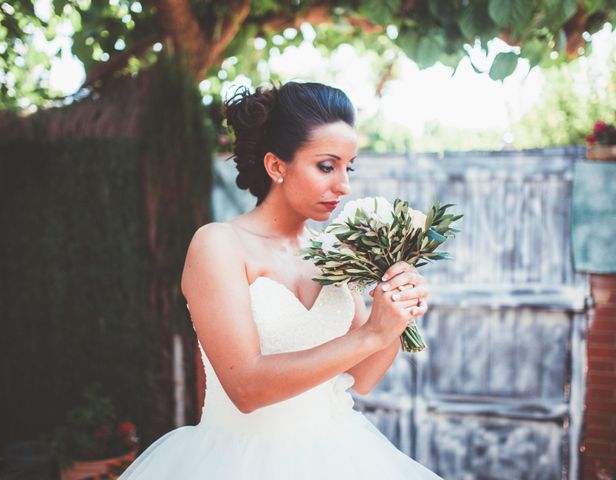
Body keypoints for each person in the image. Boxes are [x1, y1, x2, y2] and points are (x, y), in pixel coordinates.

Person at [119, 81, 443, 479]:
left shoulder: (337, 251)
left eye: (348, 167)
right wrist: (372, 334)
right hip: (239, 462)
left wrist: (394, 313)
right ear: (276, 166)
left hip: (341, 458)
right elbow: (246, 388)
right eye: (327, 166)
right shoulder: (219, 245)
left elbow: (365, 377)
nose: (344, 185)